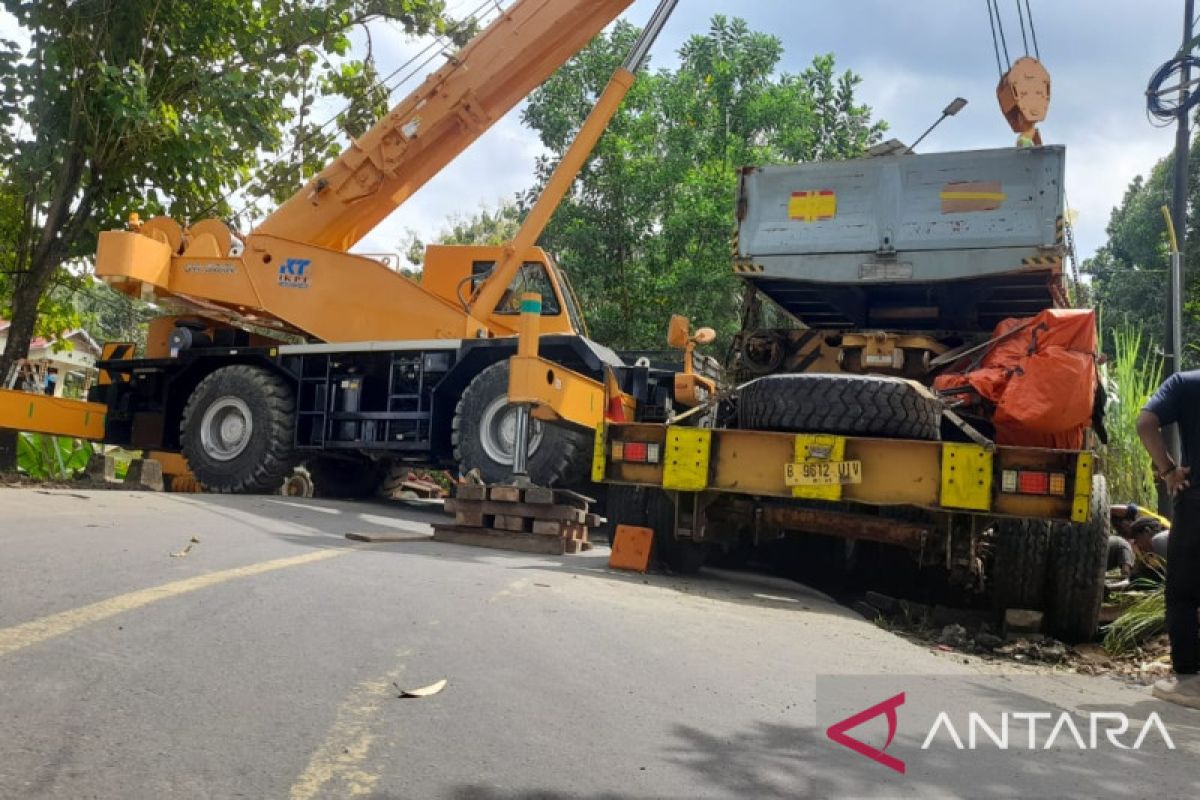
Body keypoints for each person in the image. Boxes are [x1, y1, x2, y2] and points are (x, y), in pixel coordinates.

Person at [1137, 371, 1200, 710]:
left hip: (1196, 504)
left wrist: (1168, 470)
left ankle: (1190, 682)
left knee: (1183, 594)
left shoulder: (1186, 383)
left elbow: (1146, 422)